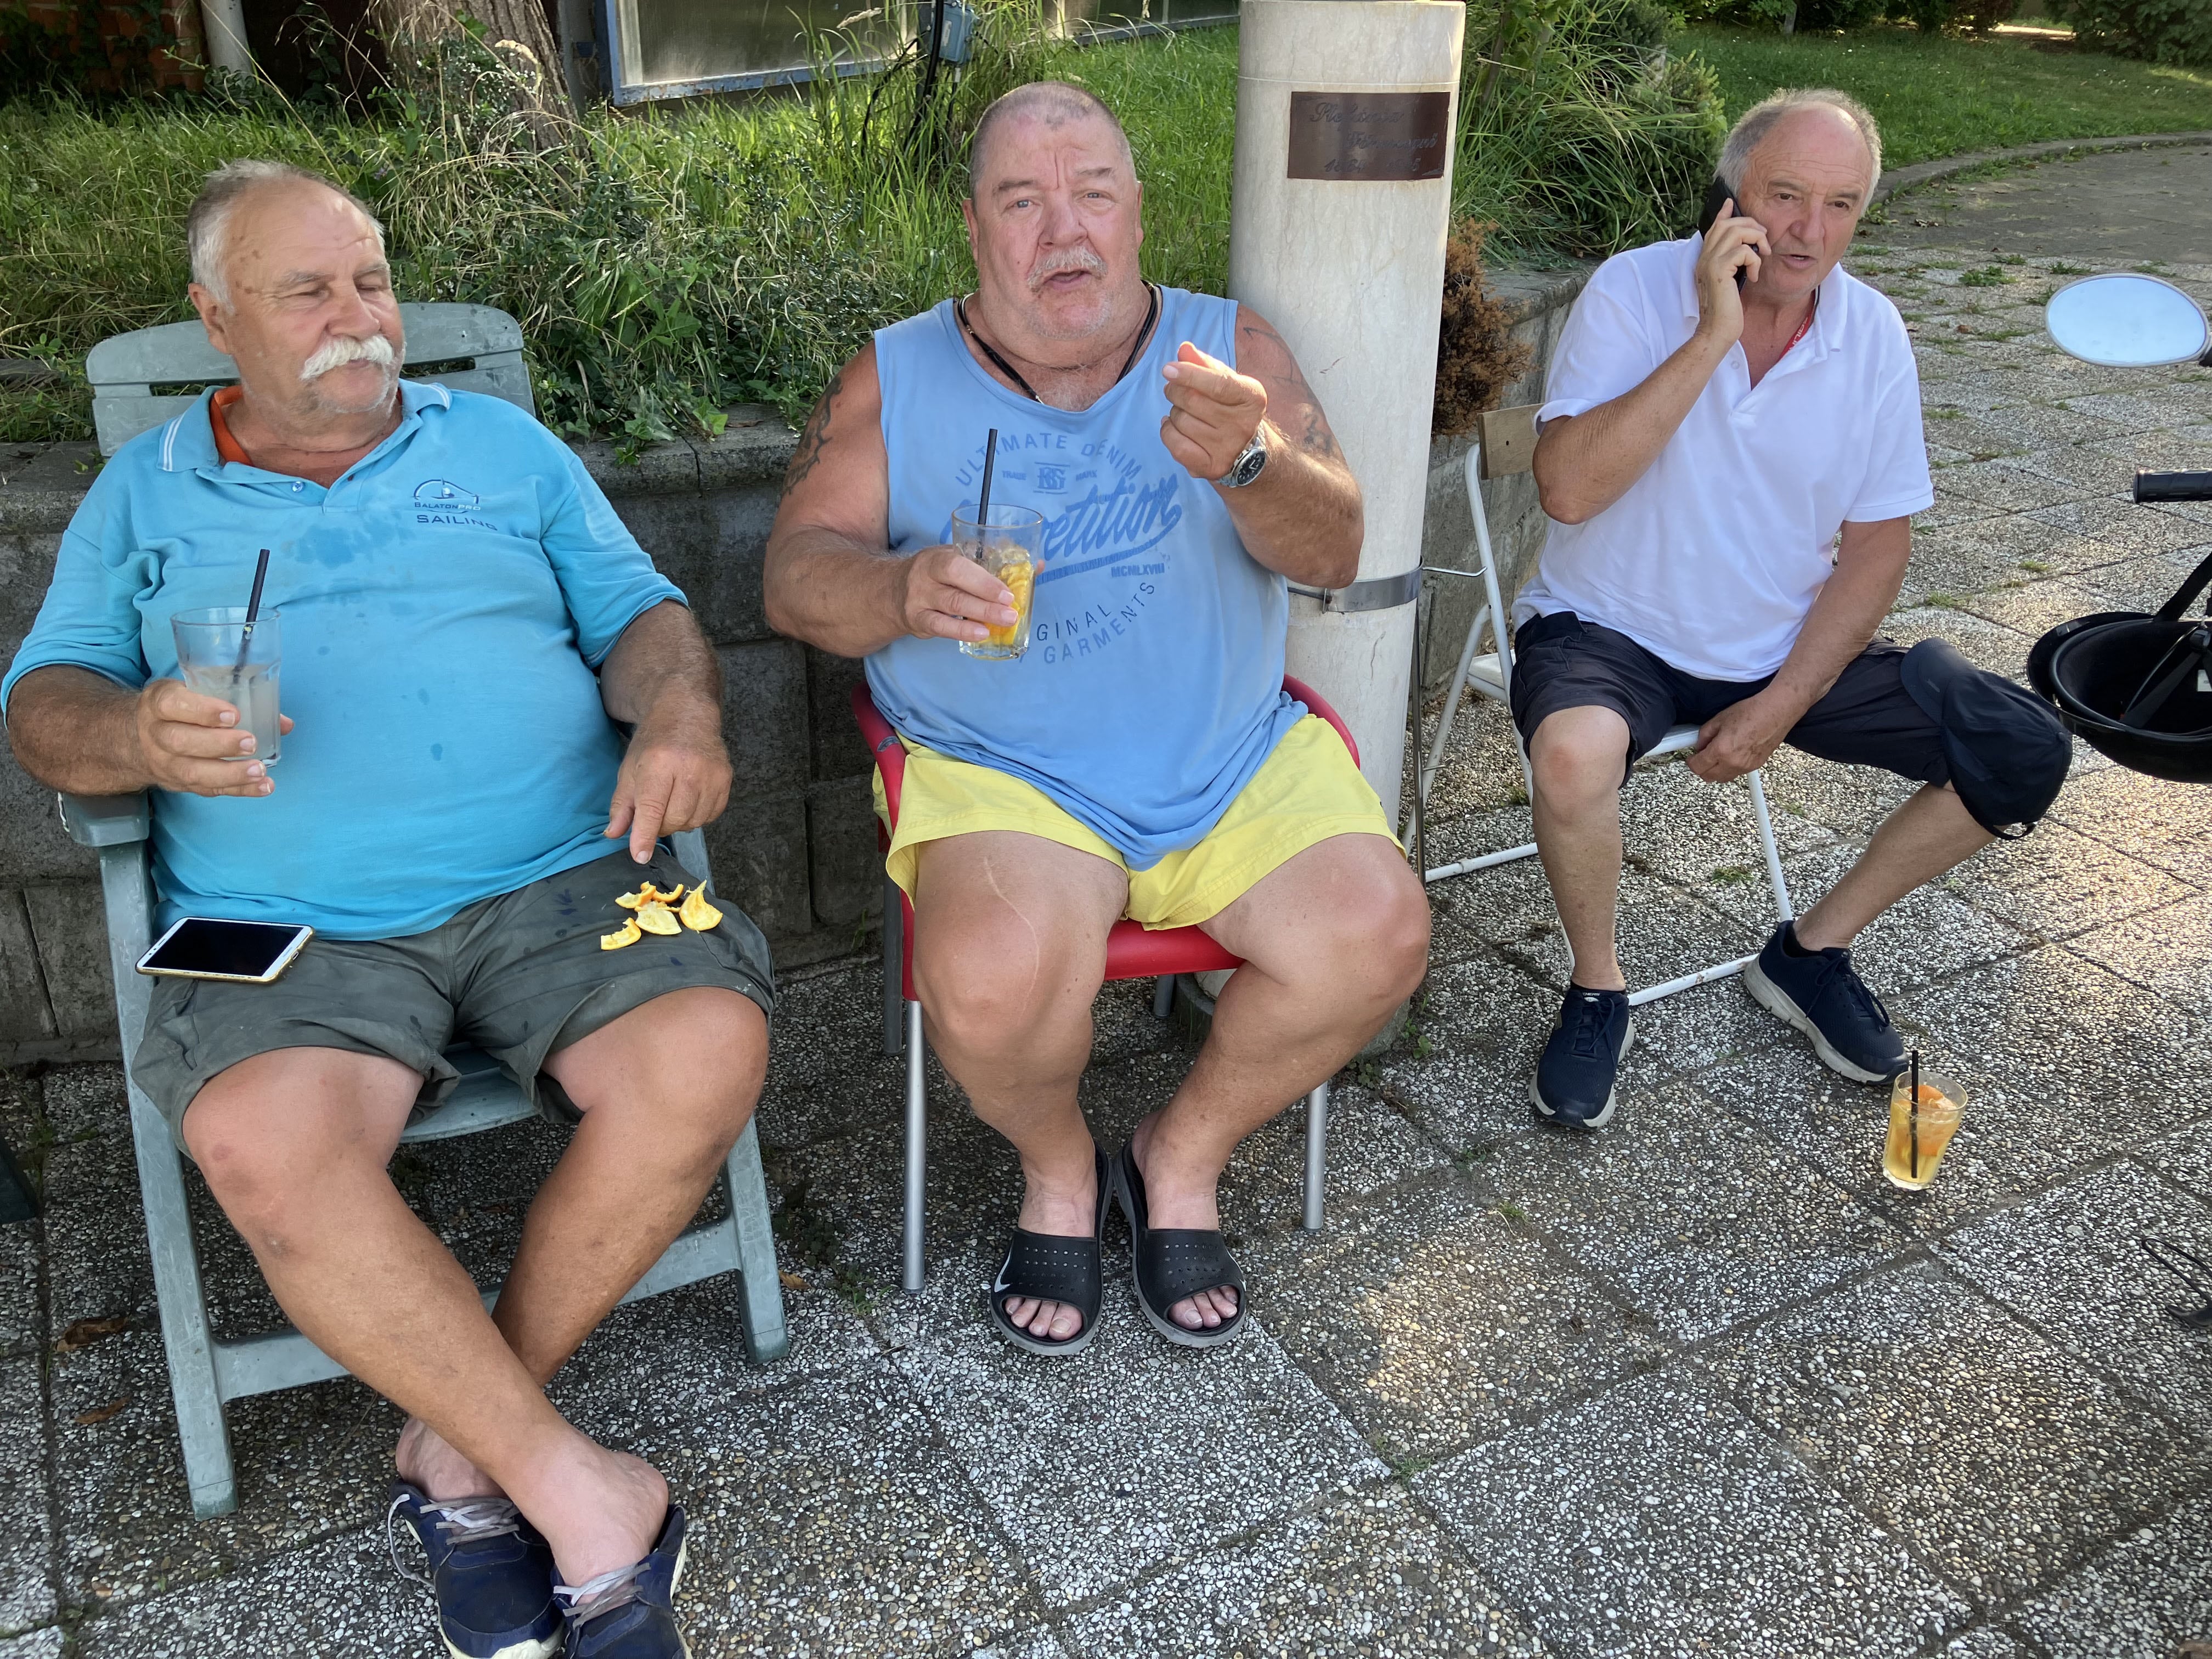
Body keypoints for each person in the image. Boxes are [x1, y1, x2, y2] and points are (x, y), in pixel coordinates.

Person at [1, 161, 770, 1659]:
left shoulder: (501, 445)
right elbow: (46, 702)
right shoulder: (142, 493)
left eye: (371, 281)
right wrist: (135, 734)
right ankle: (576, 1487)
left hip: (564, 873)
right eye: (308, 290)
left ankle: (462, 1451)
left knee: (705, 1053)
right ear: (218, 319)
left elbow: (644, 616)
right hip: (288, 920)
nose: (358, 316)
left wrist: (681, 715)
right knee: (262, 1148)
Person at [765, 82, 1429, 1356]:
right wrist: (898, 589)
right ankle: (1060, 1168)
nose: (1063, 228)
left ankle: (1180, 1154)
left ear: (1136, 215)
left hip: (1229, 758)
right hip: (1007, 778)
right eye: (1023, 201)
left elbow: (1337, 551)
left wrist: (1252, 462)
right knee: (989, 980)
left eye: (1094, 195)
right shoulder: (895, 374)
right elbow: (794, 578)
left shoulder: (1229, 352)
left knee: (1382, 934)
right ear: (974, 226)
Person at [1518, 88, 2069, 1130]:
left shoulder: (1873, 333)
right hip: (1611, 628)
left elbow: (1878, 548)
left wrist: (1780, 705)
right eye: (1785, 195)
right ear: (1730, 197)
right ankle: (1597, 987)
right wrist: (1710, 335)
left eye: (1842, 204)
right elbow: (1570, 491)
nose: (1811, 232)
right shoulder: (1634, 290)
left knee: (2020, 750)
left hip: (1779, 645)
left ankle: (1809, 954)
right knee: (1574, 756)